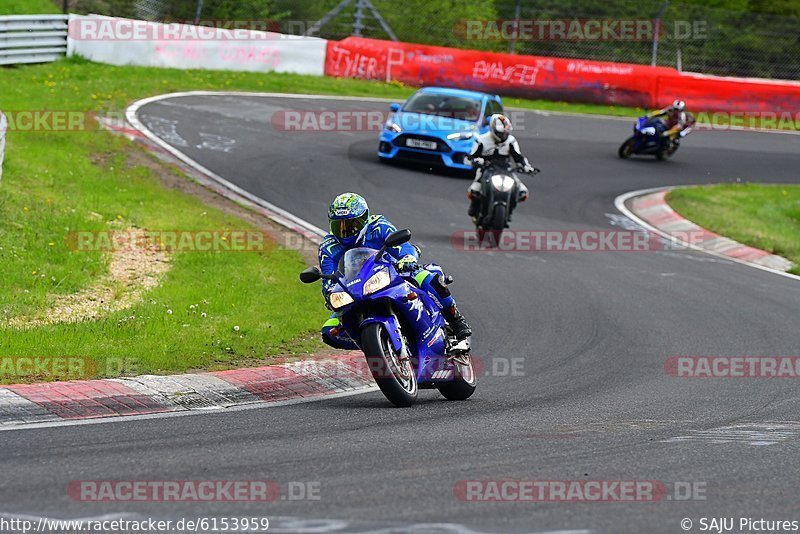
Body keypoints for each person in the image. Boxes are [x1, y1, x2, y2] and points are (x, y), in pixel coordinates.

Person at [318, 193, 472, 350]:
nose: (345, 231)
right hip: (356, 290)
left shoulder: (378, 226)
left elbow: (403, 246)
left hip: (393, 273)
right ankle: (379, 345)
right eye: (339, 226)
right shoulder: (328, 247)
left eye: (352, 224)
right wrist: (330, 292)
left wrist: (407, 259)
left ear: (364, 218)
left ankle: (456, 320)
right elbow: (328, 280)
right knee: (329, 331)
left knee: (428, 278)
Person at [466, 114, 536, 220]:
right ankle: (475, 208)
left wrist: (527, 167)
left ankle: (509, 211)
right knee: (474, 191)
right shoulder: (481, 140)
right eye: (500, 133)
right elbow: (470, 157)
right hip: (486, 169)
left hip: (506, 170)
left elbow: (518, 156)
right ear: (493, 130)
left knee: (522, 192)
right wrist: (476, 161)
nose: (503, 135)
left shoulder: (511, 141)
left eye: (506, 132)